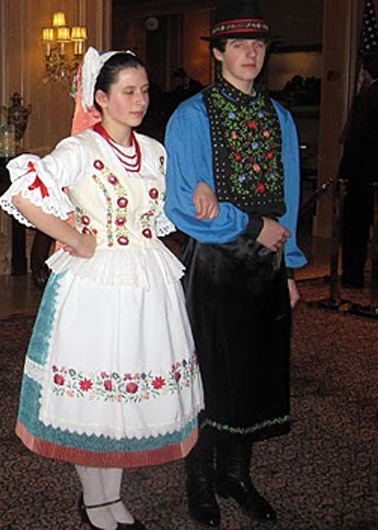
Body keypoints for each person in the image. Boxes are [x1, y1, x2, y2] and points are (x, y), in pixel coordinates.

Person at [0, 47, 204, 530]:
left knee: (125, 397)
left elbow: (167, 208)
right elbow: (24, 193)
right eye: (128, 91)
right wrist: (72, 237)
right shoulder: (80, 150)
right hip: (95, 286)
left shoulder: (153, 151)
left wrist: (198, 194)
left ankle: (111, 498)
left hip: (147, 282)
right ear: (101, 97)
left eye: (145, 90)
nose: (139, 100)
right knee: (94, 399)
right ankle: (95, 501)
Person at [164, 1, 307, 527]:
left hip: (267, 263)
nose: (250, 53)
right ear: (218, 52)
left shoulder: (281, 117)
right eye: (239, 44)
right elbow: (182, 203)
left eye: (259, 44)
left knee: (254, 373)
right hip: (218, 263)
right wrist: (250, 226)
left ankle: (236, 475)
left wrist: (287, 267)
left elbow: (287, 200)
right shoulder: (192, 116)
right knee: (210, 375)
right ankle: (200, 481)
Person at [338, 48, 378, 289]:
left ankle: (353, 275)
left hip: (363, 174)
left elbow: (357, 139)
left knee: (355, 228)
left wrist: (344, 173)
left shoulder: (367, 97)